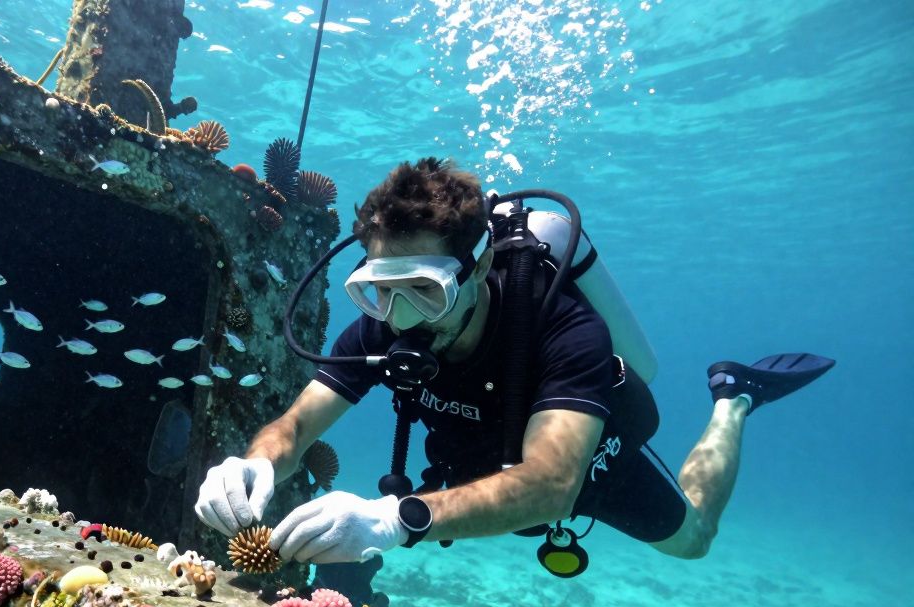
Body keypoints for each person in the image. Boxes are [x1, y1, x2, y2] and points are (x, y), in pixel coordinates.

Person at [194, 156, 834, 568]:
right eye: (379, 290)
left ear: (477, 270)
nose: (402, 318)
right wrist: (257, 463)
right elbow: (296, 425)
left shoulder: (566, 331)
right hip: (478, 464)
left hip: (588, 463)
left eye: (425, 291)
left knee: (694, 541)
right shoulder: (383, 324)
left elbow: (552, 485)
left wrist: (396, 517)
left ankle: (732, 398)